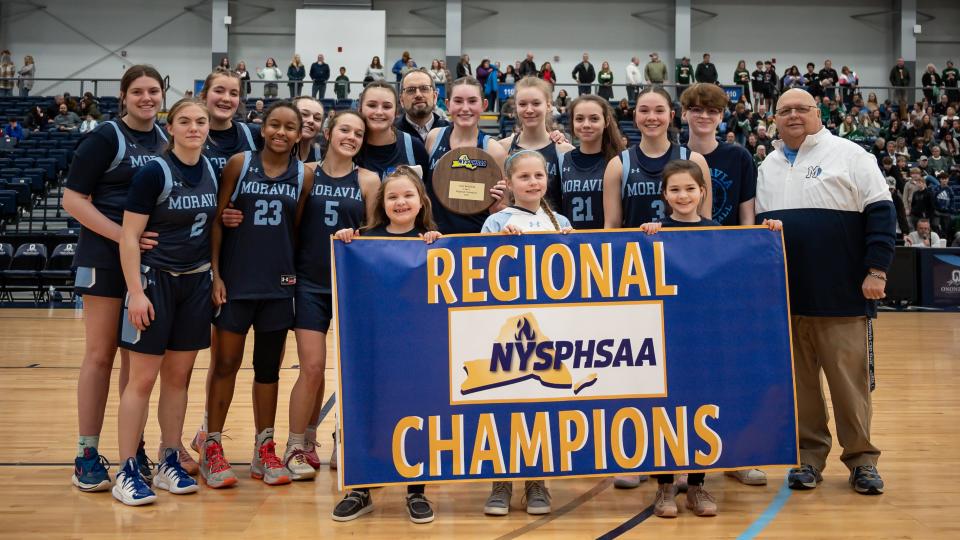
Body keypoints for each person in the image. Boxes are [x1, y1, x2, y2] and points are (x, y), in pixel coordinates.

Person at [756, 88, 894, 496]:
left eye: (802, 109)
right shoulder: (767, 164)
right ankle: (809, 459)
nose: (793, 116)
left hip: (842, 297)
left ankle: (862, 460)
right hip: (787, 300)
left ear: (819, 113)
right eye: (785, 111)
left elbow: (882, 214)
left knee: (849, 387)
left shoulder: (851, 155)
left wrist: (877, 270)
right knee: (801, 390)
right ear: (774, 119)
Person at [637, 160, 781, 517]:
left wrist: (767, 232)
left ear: (703, 192)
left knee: (703, 404)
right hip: (666, 336)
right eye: (674, 189)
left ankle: (698, 485)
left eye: (689, 189)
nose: (682, 195)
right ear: (664, 195)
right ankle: (664, 486)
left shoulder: (719, 231)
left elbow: (743, 268)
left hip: (706, 337)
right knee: (665, 407)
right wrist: (644, 236)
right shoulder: (653, 231)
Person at [63, 65, 168, 493]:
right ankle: (87, 453)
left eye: (154, 91)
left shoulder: (166, 139)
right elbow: (73, 200)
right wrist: (125, 236)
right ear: (123, 96)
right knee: (101, 355)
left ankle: (133, 447)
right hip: (104, 259)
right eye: (138, 92)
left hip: (147, 265)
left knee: (136, 360)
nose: (147, 98)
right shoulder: (106, 137)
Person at [202, 102, 314, 489]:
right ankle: (212, 446)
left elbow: (295, 230)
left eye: (290, 128)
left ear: (300, 135)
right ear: (262, 128)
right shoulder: (238, 162)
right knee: (225, 364)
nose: (281, 132)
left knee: (268, 369)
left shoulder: (305, 175)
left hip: (278, 286)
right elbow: (218, 220)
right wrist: (216, 275)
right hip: (235, 282)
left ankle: (264, 447)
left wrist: (293, 279)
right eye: (274, 125)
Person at [112, 98, 215, 505]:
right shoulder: (154, 171)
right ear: (170, 128)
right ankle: (126, 469)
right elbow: (128, 236)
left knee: (178, 378)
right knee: (142, 379)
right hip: (156, 282)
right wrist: (135, 291)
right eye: (185, 121)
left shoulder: (211, 168)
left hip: (196, 283)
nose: (194, 127)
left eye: (201, 121)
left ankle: (169, 459)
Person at [330, 167, 441, 523]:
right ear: (382, 203)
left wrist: (442, 247)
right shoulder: (363, 240)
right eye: (392, 197)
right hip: (372, 345)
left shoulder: (435, 240)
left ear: (420, 201)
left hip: (418, 347)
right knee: (367, 409)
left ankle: (416, 490)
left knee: (417, 412)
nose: (400, 202)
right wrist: (347, 239)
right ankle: (361, 488)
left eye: (408, 195)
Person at [284, 110, 379, 481]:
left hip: (351, 285)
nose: (351, 137)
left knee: (352, 371)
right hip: (309, 283)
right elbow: (291, 226)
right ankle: (297, 444)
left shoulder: (368, 179)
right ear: (328, 131)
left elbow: (373, 234)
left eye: (358, 133)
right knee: (311, 367)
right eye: (345, 129)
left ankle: (345, 439)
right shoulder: (306, 172)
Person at [480, 150, 569, 517]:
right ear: (509, 182)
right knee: (504, 404)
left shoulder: (560, 220)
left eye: (539, 175)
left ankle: (537, 481)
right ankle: (501, 480)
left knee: (542, 405)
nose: (533, 182)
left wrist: (571, 244)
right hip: (505, 330)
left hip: (547, 330)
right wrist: (499, 243)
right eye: (524, 177)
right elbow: (475, 270)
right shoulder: (496, 222)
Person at [603, 86, 712, 232]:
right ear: (635, 115)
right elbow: (611, 227)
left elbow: (705, 221)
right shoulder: (618, 165)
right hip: (637, 253)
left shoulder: (695, 161)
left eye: (660, 110)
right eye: (644, 110)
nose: (652, 117)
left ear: (672, 115)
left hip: (683, 252)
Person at [425, 76, 508, 234]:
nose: (465, 108)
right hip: (434, 239)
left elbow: (504, 208)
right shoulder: (434, 138)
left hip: (475, 240)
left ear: (484, 105)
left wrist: (497, 207)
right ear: (448, 105)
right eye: (458, 101)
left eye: (472, 101)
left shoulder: (494, 150)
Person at [498, 77, 574, 211]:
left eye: (536, 103)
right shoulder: (503, 149)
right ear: (515, 106)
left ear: (549, 106)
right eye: (522, 104)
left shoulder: (564, 150)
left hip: (553, 229)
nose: (529, 110)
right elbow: (500, 203)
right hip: (515, 230)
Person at [558, 95, 625, 230]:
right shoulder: (562, 160)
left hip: (605, 244)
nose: (586, 125)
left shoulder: (620, 162)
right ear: (572, 122)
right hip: (570, 244)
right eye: (579, 119)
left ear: (606, 122)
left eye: (594, 119)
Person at [356, 80, 430, 179]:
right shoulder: (350, 146)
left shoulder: (414, 147)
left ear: (396, 112)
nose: (379, 112)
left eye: (387, 106)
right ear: (360, 109)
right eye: (372, 105)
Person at [292, 96, 325, 163]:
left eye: (317, 118)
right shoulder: (270, 152)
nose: (311, 121)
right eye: (304, 114)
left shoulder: (325, 158)